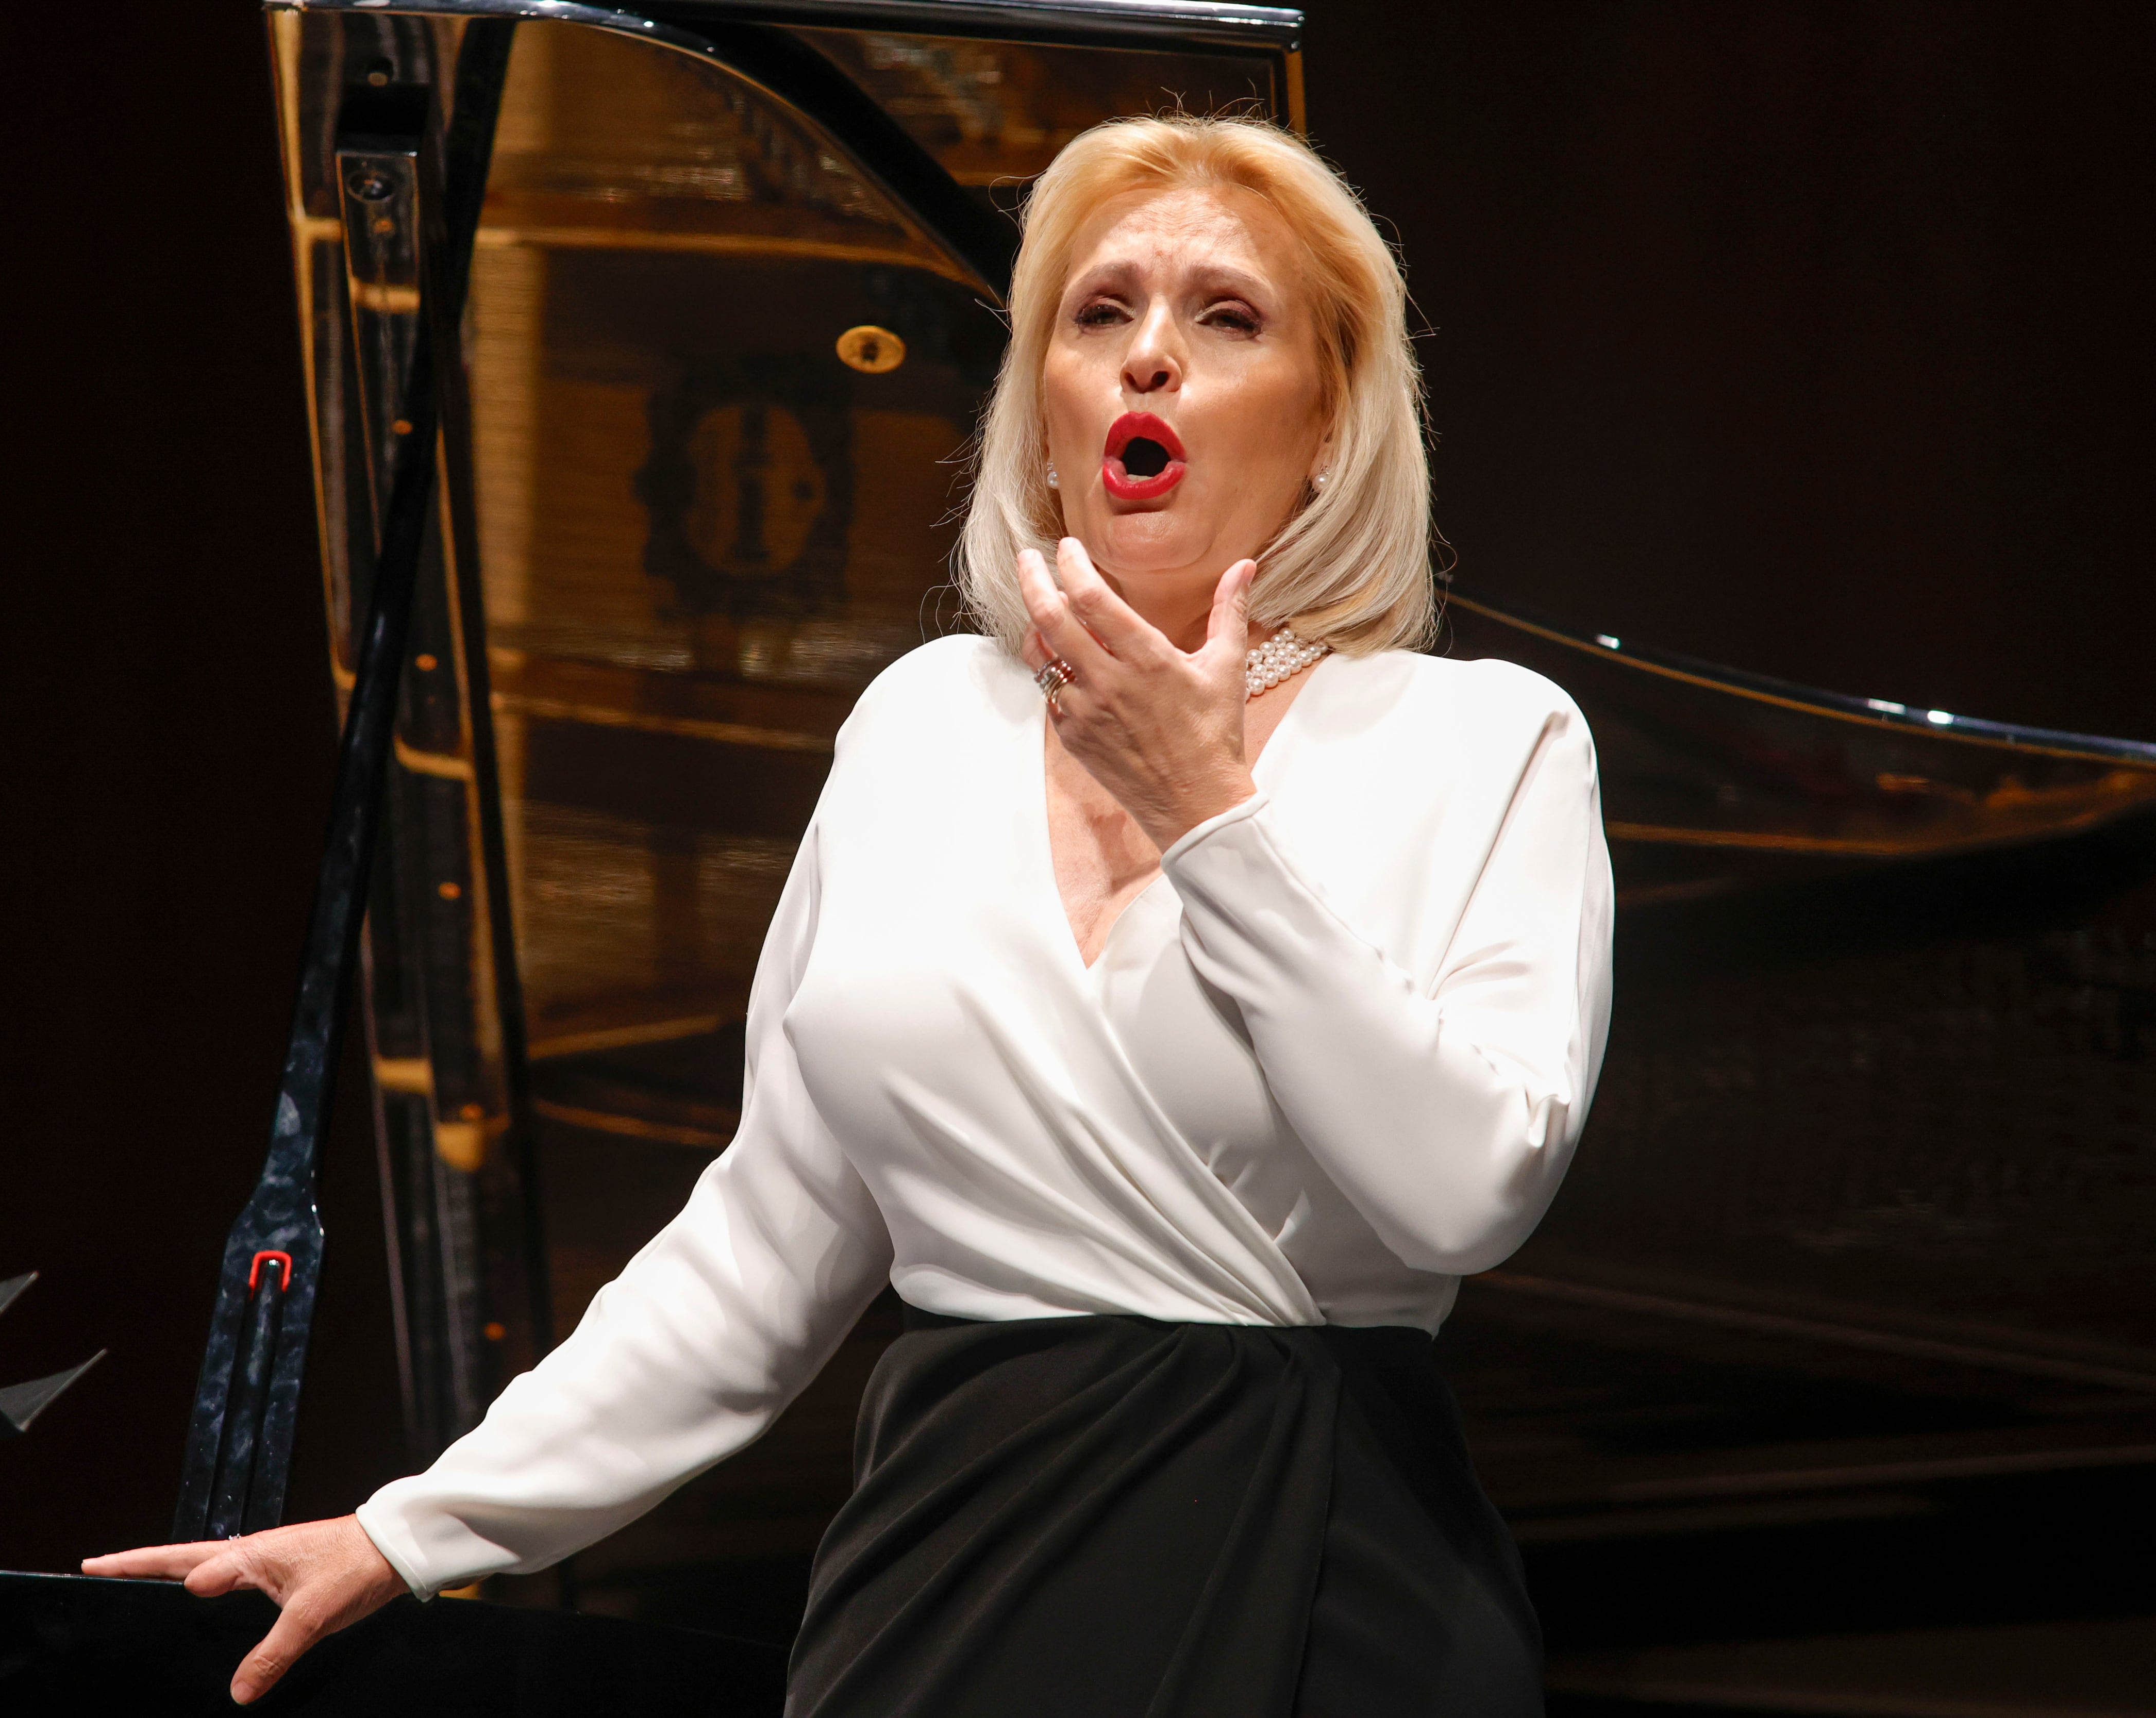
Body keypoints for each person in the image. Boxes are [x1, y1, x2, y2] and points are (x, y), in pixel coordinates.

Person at [88, 111, 1613, 1716]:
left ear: (1331, 424)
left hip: (1323, 1550)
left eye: (1225, 318)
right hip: (956, 1552)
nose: (1149, 358)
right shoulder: (918, 725)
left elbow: (1467, 1194)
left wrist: (1203, 811)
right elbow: (768, 1239)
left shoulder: (1483, 739)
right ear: (1042, 419)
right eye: (1101, 315)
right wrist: (412, 1530)